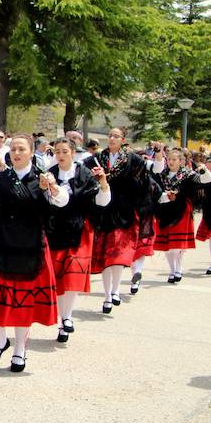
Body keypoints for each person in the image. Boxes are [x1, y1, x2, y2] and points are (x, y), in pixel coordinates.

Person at [0, 134, 68, 373]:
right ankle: (0, 341)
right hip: (1, 240)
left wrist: (52, 187)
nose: (16, 153)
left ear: (31, 153)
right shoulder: (1, 178)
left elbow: (61, 200)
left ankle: (20, 349)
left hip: (31, 245)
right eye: (13, 149)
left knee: (23, 300)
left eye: (22, 149)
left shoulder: (43, 177)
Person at [84, 129, 163, 312]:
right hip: (103, 208)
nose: (112, 138)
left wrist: (159, 154)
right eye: (110, 135)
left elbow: (153, 170)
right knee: (105, 255)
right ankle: (107, 296)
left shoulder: (132, 158)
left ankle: (116, 290)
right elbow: (82, 173)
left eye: (116, 136)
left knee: (118, 253)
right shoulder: (97, 158)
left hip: (124, 210)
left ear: (123, 140)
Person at [45, 138, 110, 343]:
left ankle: (67, 317)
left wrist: (103, 183)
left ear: (73, 153)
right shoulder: (49, 174)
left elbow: (101, 202)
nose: (61, 155)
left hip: (79, 229)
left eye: (64, 151)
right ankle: (62, 320)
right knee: (59, 279)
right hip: (55, 230)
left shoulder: (85, 174)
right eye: (57, 151)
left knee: (73, 276)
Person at [154, 148, 211, 282]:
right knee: (167, 245)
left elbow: (206, 180)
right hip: (164, 209)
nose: (171, 162)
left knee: (177, 244)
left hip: (181, 210)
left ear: (181, 161)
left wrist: (204, 170)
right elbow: (155, 189)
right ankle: (172, 270)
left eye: (174, 159)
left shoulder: (188, 174)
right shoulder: (162, 174)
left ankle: (178, 269)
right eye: (169, 159)